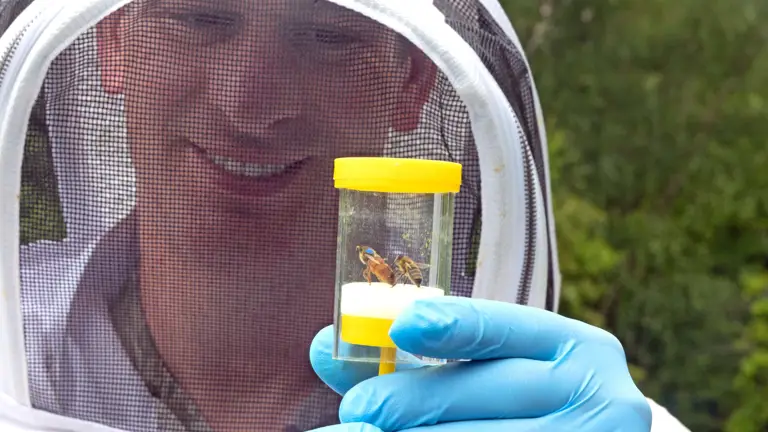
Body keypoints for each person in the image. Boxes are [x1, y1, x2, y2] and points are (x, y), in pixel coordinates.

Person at [0, 0, 689, 430]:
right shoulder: (14, 352)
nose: (251, 105)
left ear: (414, 80)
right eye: (201, 18)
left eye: (326, 37)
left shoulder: (547, 410)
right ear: (113, 40)